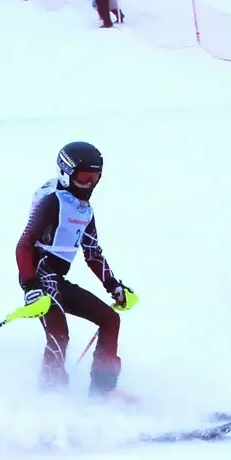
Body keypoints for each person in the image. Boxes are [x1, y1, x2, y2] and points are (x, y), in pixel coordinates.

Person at [15, 141, 138, 397]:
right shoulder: (52, 202)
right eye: (84, 178)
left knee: (110, 319)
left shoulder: (84, 211)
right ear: (66, 172)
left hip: (56, 279)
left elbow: (92, 253)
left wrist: (113, 285)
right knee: (59, 334)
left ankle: (103, 391)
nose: (90, 185)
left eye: (95, 179)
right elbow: (24, 245)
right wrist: (30, 286)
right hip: (39, 276)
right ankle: (50, 397)